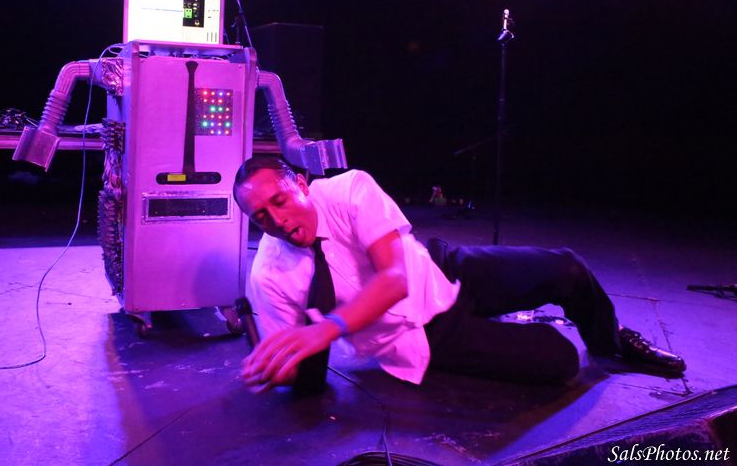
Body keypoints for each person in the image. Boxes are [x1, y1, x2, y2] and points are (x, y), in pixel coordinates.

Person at [233, 155, 686, 393]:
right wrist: (270, 367)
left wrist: (329, 328)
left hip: (440, 269)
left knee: (567, 267)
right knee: (561, 360)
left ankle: (611, 343)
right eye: (261, 217)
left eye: (280, 201)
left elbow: (394, 279)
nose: (277, 220)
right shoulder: (268, 275)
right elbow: (292, 367)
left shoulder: (349, 189)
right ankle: (501, 334)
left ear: (301, 185)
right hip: (421, 336)